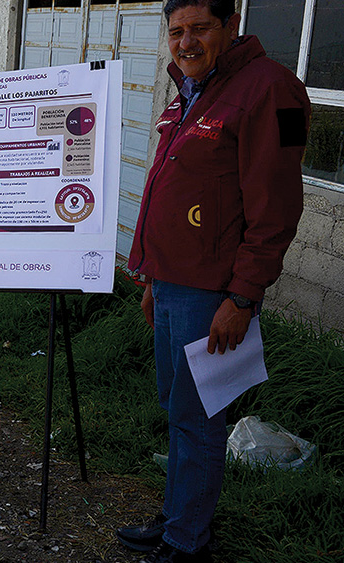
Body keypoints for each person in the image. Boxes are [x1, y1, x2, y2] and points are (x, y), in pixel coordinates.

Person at [121, 0, 310, 561]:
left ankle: (187, 541)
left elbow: (276, 209)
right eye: (176, 31)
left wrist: (244, 297)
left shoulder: (271, 90)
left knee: (200, 420)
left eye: (200, 28)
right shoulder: (194, 90)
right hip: (173, 284)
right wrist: (152, 275)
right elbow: (168, 187)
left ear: (231, 26)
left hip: (216, 294)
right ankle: (179, 515)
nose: (185, 42)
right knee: (177, 408)